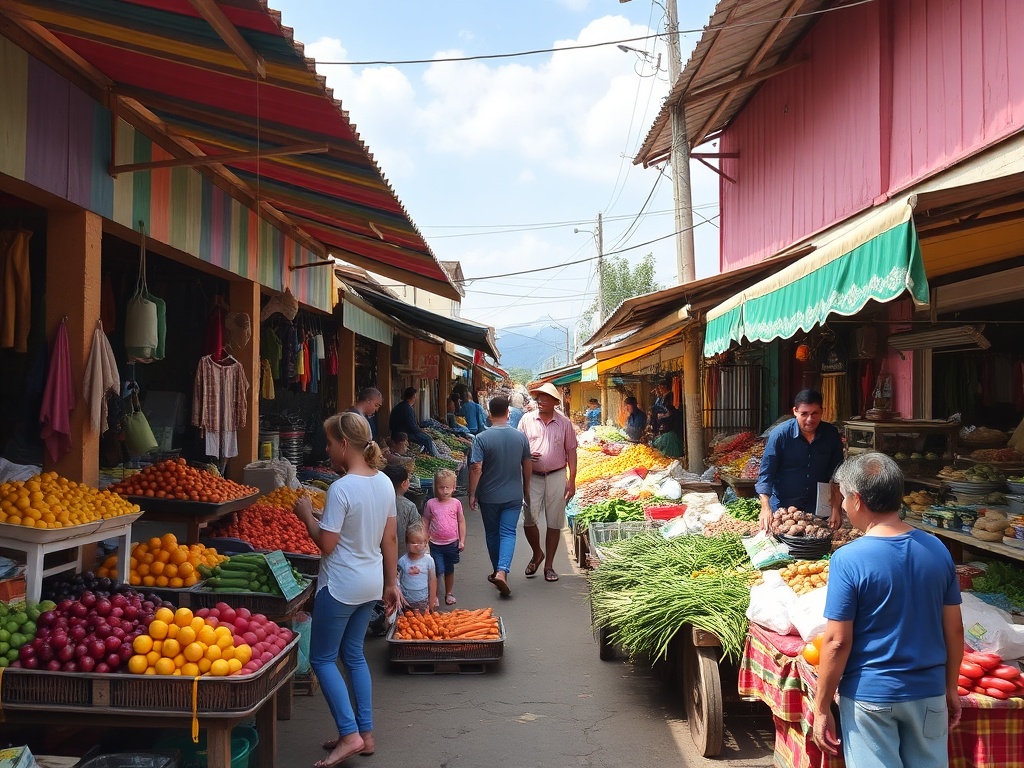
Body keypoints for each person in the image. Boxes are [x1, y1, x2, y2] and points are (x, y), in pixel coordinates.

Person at [811, 452, 964, 767]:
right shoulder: (937, 549)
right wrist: (951, 687)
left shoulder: (849, 559)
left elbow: (837, 641)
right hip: (929, 694)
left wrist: (821, 706)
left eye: (843, 497)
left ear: (858, 500)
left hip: (871, 698)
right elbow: (955, 629)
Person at [292, 412, 399, 766]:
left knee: (322, 659)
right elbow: (390, 538)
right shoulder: (383, 482)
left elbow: (327, 544)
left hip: (340, 586)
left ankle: (350, 734)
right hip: (370, 583)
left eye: (328, 442)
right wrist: (392, 582)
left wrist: (307, 514)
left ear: (342, 444)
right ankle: (364, 734)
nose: (326, 449)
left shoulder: (340, 490)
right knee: (353, 655)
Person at [468, 395, 532, 597]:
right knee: (508, 533)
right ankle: (502, 571)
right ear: (508, 413)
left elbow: (476, 467)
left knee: (492, 534)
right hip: (513, 494)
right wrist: (526, 489)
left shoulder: (481, 438)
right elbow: (527, 464)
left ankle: (498, 570)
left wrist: (472, 493)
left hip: (489, 496)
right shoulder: (520, 437)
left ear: (489, 414)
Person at [756, 389, 844, 533]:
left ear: (822, 411)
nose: (810, 419)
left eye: (815, 413)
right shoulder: (780, 435)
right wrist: (765, 508)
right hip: (783, 509)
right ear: (795, 411)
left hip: (818, 510)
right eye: (804, 414)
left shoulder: (831, 434)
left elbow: (837, 475)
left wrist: (836, 508)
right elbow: (766, 474)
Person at [518, 381, 578, 583]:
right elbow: (519, 446)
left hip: (556, 475)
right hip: (532, 476)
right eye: (538, 397)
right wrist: (526, 455)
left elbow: (571, 452)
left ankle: (549, 565)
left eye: (545, 397)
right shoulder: (526, 420)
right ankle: (537, 553)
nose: (540, 400)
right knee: (529, 519)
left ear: (554, 401)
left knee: (554, 521)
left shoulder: (564, 423)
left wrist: (572, 480)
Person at [421, 468, 466, 606]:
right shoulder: (431, 504)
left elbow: (461, 521)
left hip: (452, 543)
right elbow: (425, 520)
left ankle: (449, 592)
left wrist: (462, 540)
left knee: (449, 568)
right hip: (435, 544)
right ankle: (434, 594)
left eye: (448, 487)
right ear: (436, 487)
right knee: (437, 569)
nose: (445, 491)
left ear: (454, 487)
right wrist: (424, 538)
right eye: (441, 487)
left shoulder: (456, 503)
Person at [381, 463, 420, 556]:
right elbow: (417, 534)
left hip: (378, 557)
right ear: (404, 483)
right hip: (401, 557)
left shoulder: (375, 501)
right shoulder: (409, 507)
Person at [397, 523, 437, 613]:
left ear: (425, 543)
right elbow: (397, 581)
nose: (416, 545)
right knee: (406, 623)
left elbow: (433, 580)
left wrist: (432, 601)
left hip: (422, 599)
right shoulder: (402, 561)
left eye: (420, 542)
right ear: (407, 543)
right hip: (405, 599)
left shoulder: (429, 561)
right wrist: (400, 597)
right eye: (413, 542)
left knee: (422, 622)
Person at [388, 387, 438, 457]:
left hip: (401, 431)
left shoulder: (403, 406)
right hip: (402, 433)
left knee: (425, 436)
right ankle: (434, 456)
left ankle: (425, 454)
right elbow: (412, 427)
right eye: (414, 397)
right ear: (411, 397)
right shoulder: (406, 408)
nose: (415, 399)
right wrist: (423, 432)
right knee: (427, 439)